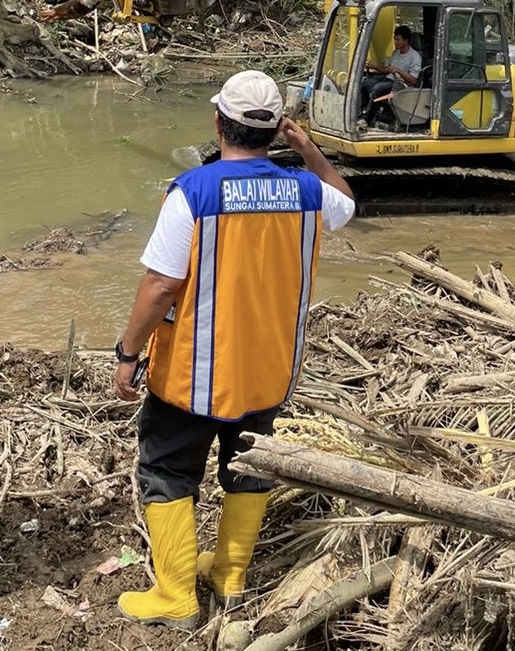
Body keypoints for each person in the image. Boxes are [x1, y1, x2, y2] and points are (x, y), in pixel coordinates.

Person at [113, 70, 356, 627]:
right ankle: (229, 574)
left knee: (168, 469)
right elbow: (346, 200)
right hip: (268, 369)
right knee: (248, 463)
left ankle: (175, 594)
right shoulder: (307, 191)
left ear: (218, 121)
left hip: (194, 374)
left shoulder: (192, 192)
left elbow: (159, 287)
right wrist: (308, 148)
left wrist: (129, 352)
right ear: (274, 130)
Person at [357, 24, 423, 129]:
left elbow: (413, 80)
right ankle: (360, 114)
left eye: (398, 40)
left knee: (377, 89)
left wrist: (398, 70)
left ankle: (366, 120)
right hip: (388, 79)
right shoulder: (396, 52)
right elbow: (388, 69)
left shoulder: (415, 57)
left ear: (406, 41)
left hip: (401, 85)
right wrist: (374, 67)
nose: (395, 42)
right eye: (394, 39)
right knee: (363, 84)